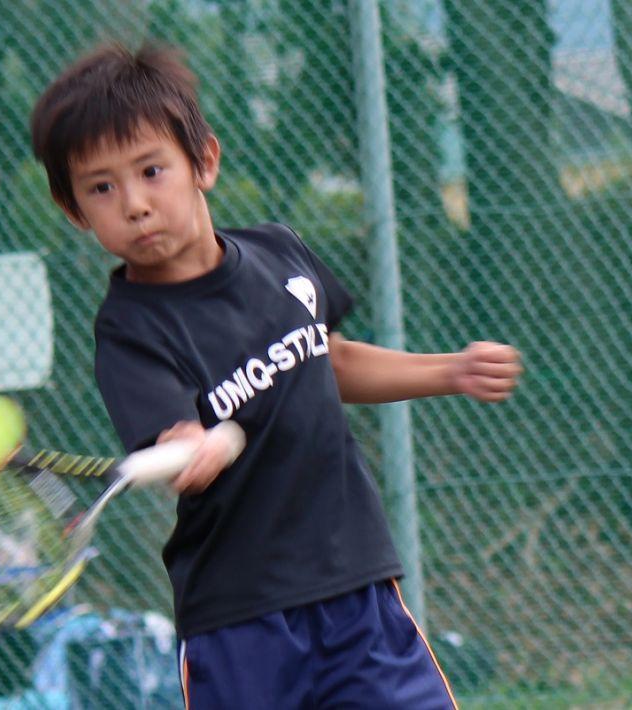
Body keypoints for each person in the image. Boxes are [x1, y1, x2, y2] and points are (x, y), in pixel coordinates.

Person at [30, 42, 521, 709]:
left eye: (151, 170)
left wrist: (450, 370)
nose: (136, 204)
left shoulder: (279, 253)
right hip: (239, 622)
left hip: (357, 586)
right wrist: (190, 447)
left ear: (203, 160)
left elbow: (331, 358)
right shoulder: (129, 329)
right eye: (102, 188)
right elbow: (165, 435)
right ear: (74, 210)